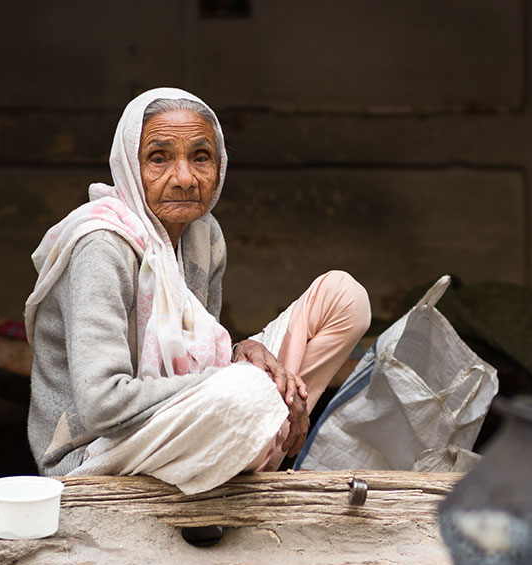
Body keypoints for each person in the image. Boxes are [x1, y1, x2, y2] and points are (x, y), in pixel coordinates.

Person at [25, 87, 370, 495]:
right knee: (248, 393)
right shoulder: (102, 247)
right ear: (129, 168)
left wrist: (242, 353)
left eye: (200, 157)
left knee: (343, 298)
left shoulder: (202, 234)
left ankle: (248, 448)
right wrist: (234, 377)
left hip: (189, 416)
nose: (185, 178)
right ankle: (243, 448)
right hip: (95, 452)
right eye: (159, 158)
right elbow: (103, 405)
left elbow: (197, 351)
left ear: (220, 166)